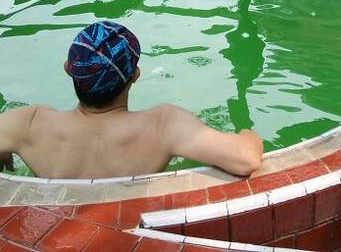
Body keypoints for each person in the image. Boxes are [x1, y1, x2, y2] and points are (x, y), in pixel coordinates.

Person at [0, 21, 263, 179]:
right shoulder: (163, 126)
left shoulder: (28, 124)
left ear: (68, 68)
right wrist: (248, 134)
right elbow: (246, 159)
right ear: (135, 75)